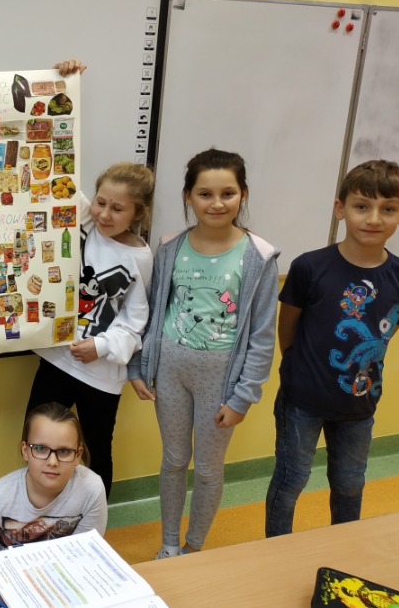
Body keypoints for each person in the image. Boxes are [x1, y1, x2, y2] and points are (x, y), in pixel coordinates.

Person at [128, 148, 279, 558]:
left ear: (243, 195)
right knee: (174, 460)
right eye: (205, 194)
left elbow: (262, 335)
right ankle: (169, 545)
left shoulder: (259, 256)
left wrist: (243, 396)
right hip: (171, 370)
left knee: (209, 469)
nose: (216, 203)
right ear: (188, 197)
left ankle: (193, 548)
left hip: (221, 379)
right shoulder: (169, 247)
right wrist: (138, 366)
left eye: (227, 193)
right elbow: (151, 311)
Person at [265, 159, 399, 537]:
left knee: (350, 483)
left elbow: (384, 331)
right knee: (292, 479)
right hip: (302, 400)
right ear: (340, 209)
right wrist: (297, 369)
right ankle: (276, 550)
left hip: (359, 404)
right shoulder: (309, 267)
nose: (373, 218)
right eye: (362, 206)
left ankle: (345, 547)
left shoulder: (398, 276)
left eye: (388, 209)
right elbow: (288, 327)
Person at [27, 161, 155, 498]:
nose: (105, 214)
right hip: (56, 361)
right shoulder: (86, 220)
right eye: (101, 202)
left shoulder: (141, 258)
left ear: (138, 213)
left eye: (118, 209)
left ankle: (92, 521)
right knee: (36, 440)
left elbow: (135, 322)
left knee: (96, 450)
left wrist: (100, 346)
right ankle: (38, 512)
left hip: (101, 376)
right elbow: (59, 170)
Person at [0, 402, 106, 600]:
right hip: (0, 572)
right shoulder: (1, 494)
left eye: (64, 451)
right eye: (41, 448)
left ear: (78, 455)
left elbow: (82, 554)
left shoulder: (91, 489)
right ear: (25, 451)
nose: (52, 462)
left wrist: (18, 565)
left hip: (56, 570)